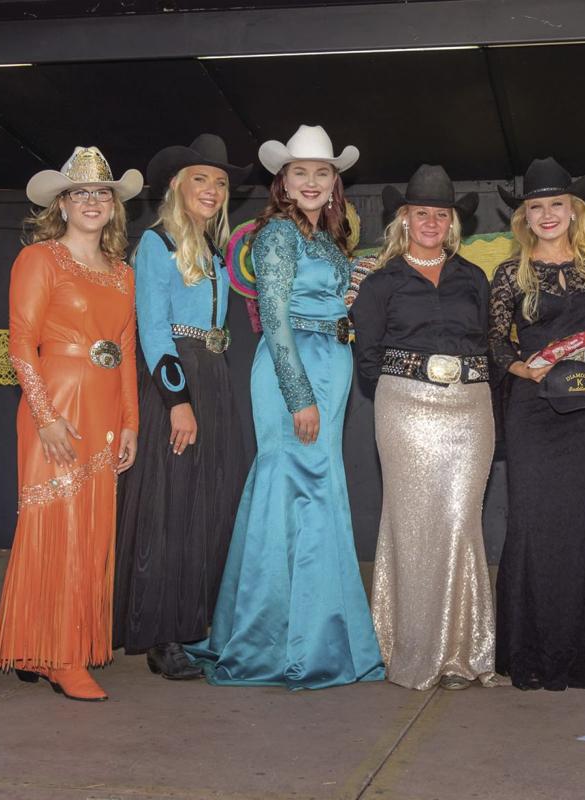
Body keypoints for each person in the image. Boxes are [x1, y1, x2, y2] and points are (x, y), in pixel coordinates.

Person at [185, 125, 385, 688]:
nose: (312, 181)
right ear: (284, 181)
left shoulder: (328, 237)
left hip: (331, 363)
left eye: (322, 172)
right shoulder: (277, 233)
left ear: (334, 182)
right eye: (301, 173)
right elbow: (273, 317)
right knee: (292, 488)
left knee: (318, 492)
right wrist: (300, 396)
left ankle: (315, 632)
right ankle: (277, 642)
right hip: (291, 366)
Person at [0, 147, 143, 702]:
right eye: (81, 193)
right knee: (59, 526)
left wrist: (132, 422)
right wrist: (45, 415)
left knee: (92, 532)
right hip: (55, 404)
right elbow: (20, 343)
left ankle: (42, 645)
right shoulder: (39, 259)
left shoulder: (124, 273)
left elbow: (126, 350)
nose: (93, 202)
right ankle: (62, 657)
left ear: (114, 206)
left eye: (103, 193)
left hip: (105, 408)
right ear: (62, 204)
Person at [350, 165, 496, 691]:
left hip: (470, 408)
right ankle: (409, 648)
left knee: (460, 522)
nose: (431, 222)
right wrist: (404, 391)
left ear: (452, 222)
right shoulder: (381, 282)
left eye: (440, 214)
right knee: (411, 526)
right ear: (404, 219)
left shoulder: (473, 278)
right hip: (405, 408)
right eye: (421, 213)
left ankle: (459, 653)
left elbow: (489, 343)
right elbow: (368, 357)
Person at [113, 135, 252, 680]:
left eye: (220, 182)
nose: (212, 189)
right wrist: (177, 402)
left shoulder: (214, 250)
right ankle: (161, 634)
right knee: (170, 508)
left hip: (214, 377)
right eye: (201, 179)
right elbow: (152, 330)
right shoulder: (156, 243)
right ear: (176, 185)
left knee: (208, 504)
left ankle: (196, 622)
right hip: (177, 379)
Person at [487, 158, 585, 691]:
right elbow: (494, 339)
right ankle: (528, 650)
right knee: (530, 521)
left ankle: (577, 650)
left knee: (577, 523)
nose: (547, 214)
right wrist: (521, 366)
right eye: (536, 206)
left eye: (556, 204)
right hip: (532, 407)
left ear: (574, 210)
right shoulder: (510, 273)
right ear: (524, 215)